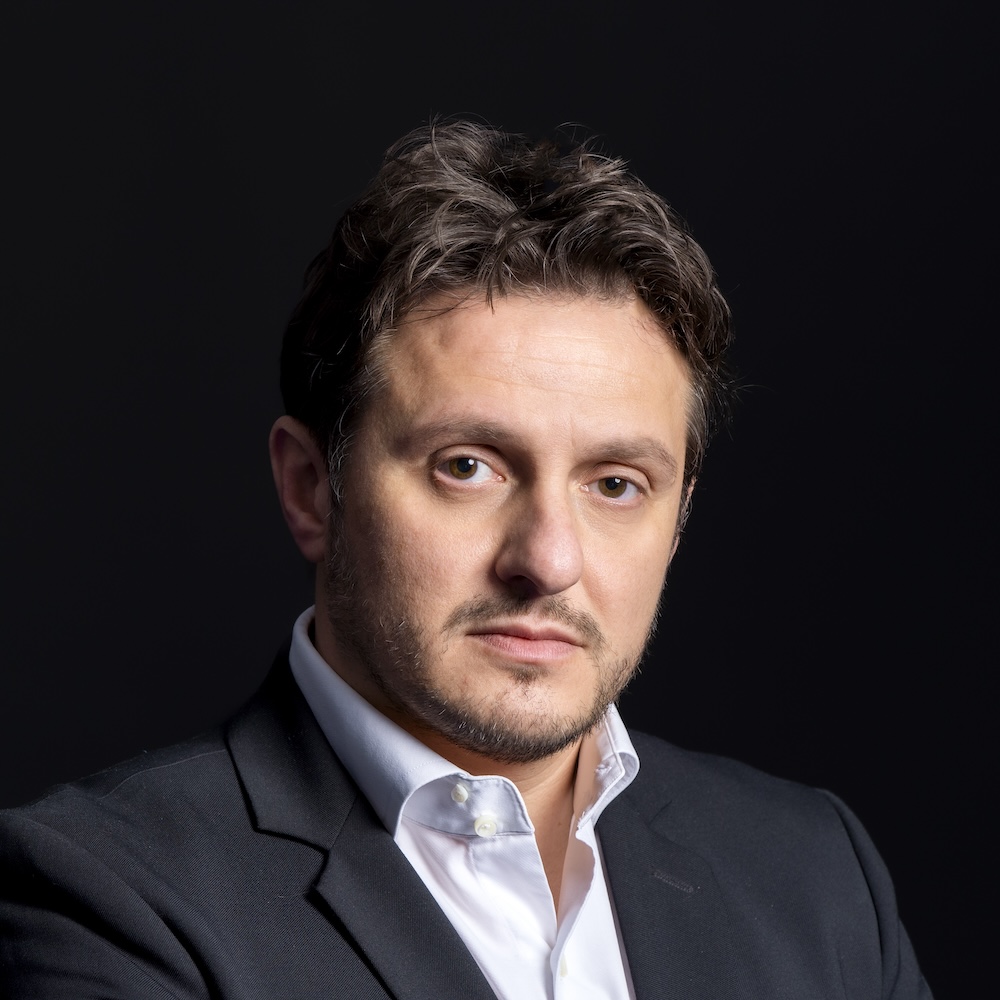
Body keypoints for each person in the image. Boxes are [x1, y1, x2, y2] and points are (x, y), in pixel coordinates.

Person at [0, 119, 931, 999]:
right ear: (311, 489)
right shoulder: (103, 899)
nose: (549, 560)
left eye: (615, 484)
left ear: (679, 518)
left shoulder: (816, 874)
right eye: (468, 467)